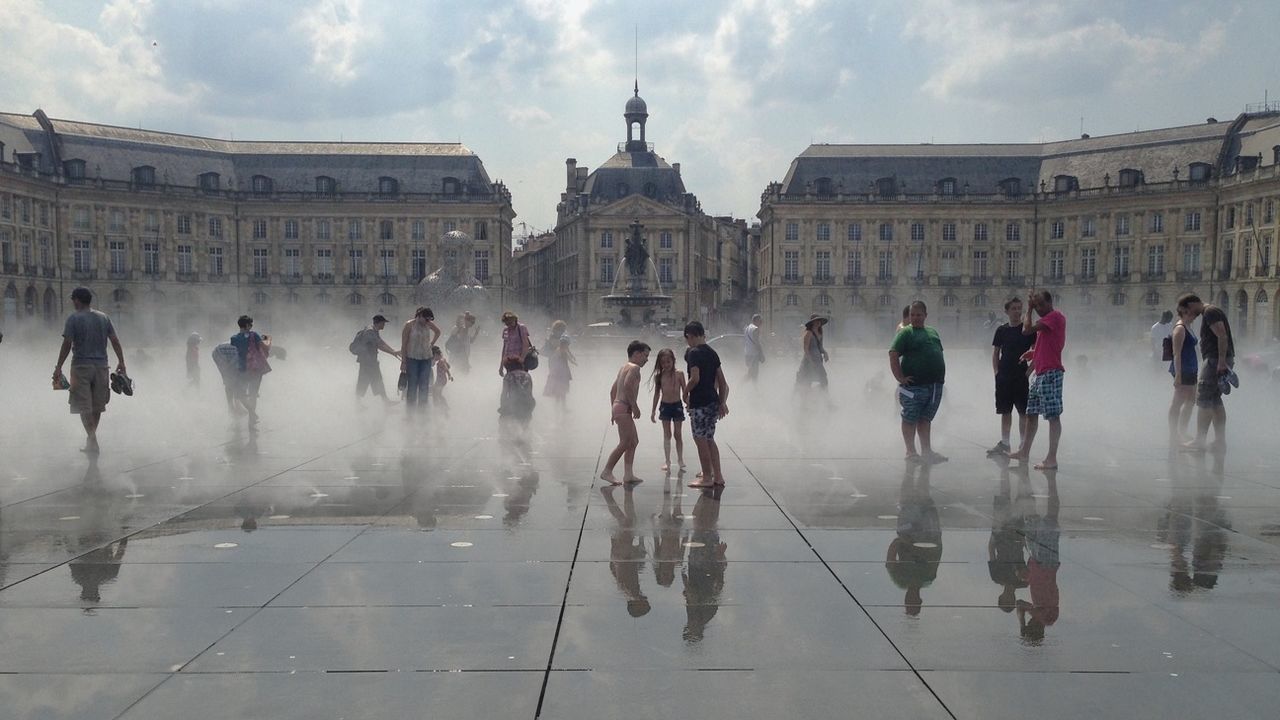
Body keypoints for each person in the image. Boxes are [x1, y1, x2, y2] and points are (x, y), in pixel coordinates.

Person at [53, 287, 126, 454]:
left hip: (80, 367)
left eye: (73, 299)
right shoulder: (103, 317)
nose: (73, 302)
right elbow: (115, 340)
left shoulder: (73, 318)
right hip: (102, 367)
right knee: (97, 406)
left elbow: (67, 344)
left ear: (77, 300)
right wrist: (122, 361)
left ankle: (92, 440)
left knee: (83, 406)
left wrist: (59, 366)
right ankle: (91, 440)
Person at [1009, 290, 1066, 470]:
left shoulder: (1055, 317)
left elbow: (1026, 330)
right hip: (1040, 373)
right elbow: (1048, 345)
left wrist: (1030, 308)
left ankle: (1051, 458)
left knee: (1052, 416)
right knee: (1031, 414)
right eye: (1037, 305)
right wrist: (1034, 354)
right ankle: (1024, 451)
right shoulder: (1046, 324)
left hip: (1051, 373)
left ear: (1050, 302)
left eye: (1041, 304)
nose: (1039, 308)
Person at [888, 301, 947, 464]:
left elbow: (938, 352)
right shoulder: (905, 332)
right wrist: (900, 378)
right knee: (910, 417)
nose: (915, 318)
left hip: (934, 385)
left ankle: (927, 451)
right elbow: (893, 354)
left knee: (925, 418)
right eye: (912, 315)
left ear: (925, 315)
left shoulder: (932, 332)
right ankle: (910, 451)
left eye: (918, 315)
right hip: (914, 386)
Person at [1177, 294, 1236, 451]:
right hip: (1219, 359)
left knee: (1203, 398)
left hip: (1215, 360)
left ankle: (1199, 441)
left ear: (1192, 304)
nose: (1190, 315)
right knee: (1215, 400)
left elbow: (1221, 335)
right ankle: (1219, 441)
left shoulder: (1210, 312)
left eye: (1187, 311)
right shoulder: (1212, 311)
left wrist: (1221, 361)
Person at [684, 321, 730, 488]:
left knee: (700, 439)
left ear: (689, 336)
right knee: (710, 439)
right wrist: (722, 402)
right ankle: (718, 476)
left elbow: (694, 378)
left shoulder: (693, 353)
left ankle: (707, 478)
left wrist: (685, 391)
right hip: (712, 402)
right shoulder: (712, 353)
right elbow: (723, 383)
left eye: (687, 339)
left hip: (699, 402)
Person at [988, 297, 1035, 456]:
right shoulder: (1002, 330)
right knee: (1005, 411)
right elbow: (995, 353)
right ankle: (1005, 443)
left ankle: (1022, 444)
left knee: (1023, 412)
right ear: (1007, 311)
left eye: (1019, 308)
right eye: (1013, 308)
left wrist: (1028, 373)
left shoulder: (1027, 330)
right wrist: (996, 372)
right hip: (1004, 375)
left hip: (1021, 376)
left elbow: (1037, 353)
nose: (1016, 311)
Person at [1017, 471, 1060, 641]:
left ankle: (1051, 484)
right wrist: (1021, 622)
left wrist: (1028, 577)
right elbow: (1019, 605)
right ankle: (1026, 480)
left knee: (1050, 519)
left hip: (1047, 565)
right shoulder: (1039, 613)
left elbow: (1043, 588)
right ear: (1031, 625)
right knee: (1036, 518)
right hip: (1041, 563)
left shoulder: (1051, 617)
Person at [601, 340, 651, 485]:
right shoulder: (634, 368)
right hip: (624, 406)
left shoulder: (624, 367)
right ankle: (607, 471)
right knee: (625, 442)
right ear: (636, 354)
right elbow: (628, 385)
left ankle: (628, 474)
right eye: (645, 356)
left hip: (619, 406)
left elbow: (613, 390)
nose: (647, 359)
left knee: (633, 441)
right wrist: (634, 406)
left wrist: (613, 409)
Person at [229, 315, 271, 429]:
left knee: (239, 394)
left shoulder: (233, 338)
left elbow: (234, 355)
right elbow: (265, 347)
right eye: (251, 324)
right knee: (253, 394)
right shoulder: (255, 335)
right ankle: (252, 416)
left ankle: (252, 414)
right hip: (256, 369)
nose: (251, 326)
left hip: (242, 369)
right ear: (247, 325)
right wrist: (267, 339)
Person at [649, 348, 687, 472]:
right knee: (667, 434)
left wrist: (689, 404)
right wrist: (653, 411)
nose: (666, 365)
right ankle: (667, 461)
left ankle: (680, 459)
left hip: (677, 405)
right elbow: (656, 394)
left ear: (673, 361)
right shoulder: (659, 376)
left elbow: (685, 391)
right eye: (663, 362)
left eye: (668, 362)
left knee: (677, 434)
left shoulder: (679, 374)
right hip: (665, 406)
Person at [400, 307, 441, 411]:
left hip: (426, 358)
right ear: (420, 315)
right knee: (412, 385)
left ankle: (423, 410)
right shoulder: (409, 325)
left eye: (429, 320)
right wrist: (403, 362)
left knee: (424, 385)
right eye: (426, 319)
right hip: (412, 358)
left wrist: (431, 343)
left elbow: (438, 332)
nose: (428, 321)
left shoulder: (428, 324)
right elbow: (403, 345)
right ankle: (410, 410)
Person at [1168, 305, 1198, 443]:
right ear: (1185, 312)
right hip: (1183, 369)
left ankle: (1182, 431)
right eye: (1192, 313)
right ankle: (1174, 434)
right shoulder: (1180, 329)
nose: (1195, 316)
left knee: (1191, 401)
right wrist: (1178, 375)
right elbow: (1176, 353)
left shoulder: (1188, 327)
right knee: (1177, 403)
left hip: (1191, 368)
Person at [354, 314, 401, 403]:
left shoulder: (374, 330)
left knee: (372, 380)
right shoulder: (370, 331)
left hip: (370, 360)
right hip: (367, 361)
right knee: (368, 380)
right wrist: (392, 353)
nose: (384, 325)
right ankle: (384, 402)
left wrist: (393, 351)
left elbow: (381, 342)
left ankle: (384, 401)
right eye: (383, 323)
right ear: (378, 323)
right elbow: (379, 346)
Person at [498, 355, 536, 461]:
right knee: (525, 424)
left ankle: (517, 450)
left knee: (512, 426)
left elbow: (504, 394)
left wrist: (502, 408)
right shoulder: (527, 375)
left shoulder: (508, 376)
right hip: (528, 403)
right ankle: (525, 443)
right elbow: (530, 391)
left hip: (514, 404)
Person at [796, 314, 830, 391]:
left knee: (823, 379)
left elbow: (820, 347)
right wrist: (810, 361)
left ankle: (824, 397)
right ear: (813, 322)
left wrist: (825, 353)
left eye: (819, 321)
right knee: (807, 380)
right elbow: (806, 349)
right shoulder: (808, 333)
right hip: (809, 361)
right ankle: (806, 399)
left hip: (818, 361)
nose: (818, 322)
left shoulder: (820, 333)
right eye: (816, 321)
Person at [543, 334, 576, 409]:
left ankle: (560, 406)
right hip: (562, 373)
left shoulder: (559, 349)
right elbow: (568, 358)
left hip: (558, 373)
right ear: (565, 344)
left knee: (560, 391)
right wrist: (574, 362)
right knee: (562, 391)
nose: (568, 346)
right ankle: (561, 407)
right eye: (567, 344)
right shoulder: (562, 350)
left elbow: (568, 354)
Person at [211, 341, 244, 414]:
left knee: (230, 380)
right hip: (219, 354)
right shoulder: (243, 351)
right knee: (232, 381)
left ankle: (233, 406)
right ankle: (234, 407)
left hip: (220, 353)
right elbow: (234, 362)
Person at [743, 313, 765, 382]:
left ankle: (754, 389)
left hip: (747, 353)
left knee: (751, 373)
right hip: (754, 354)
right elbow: (757, 343)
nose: (761, 323)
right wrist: (761, 354)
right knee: (753, 374)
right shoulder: (755, 329)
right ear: (756, 321)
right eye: (760, 321)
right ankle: (740, 386)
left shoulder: (747, 328)